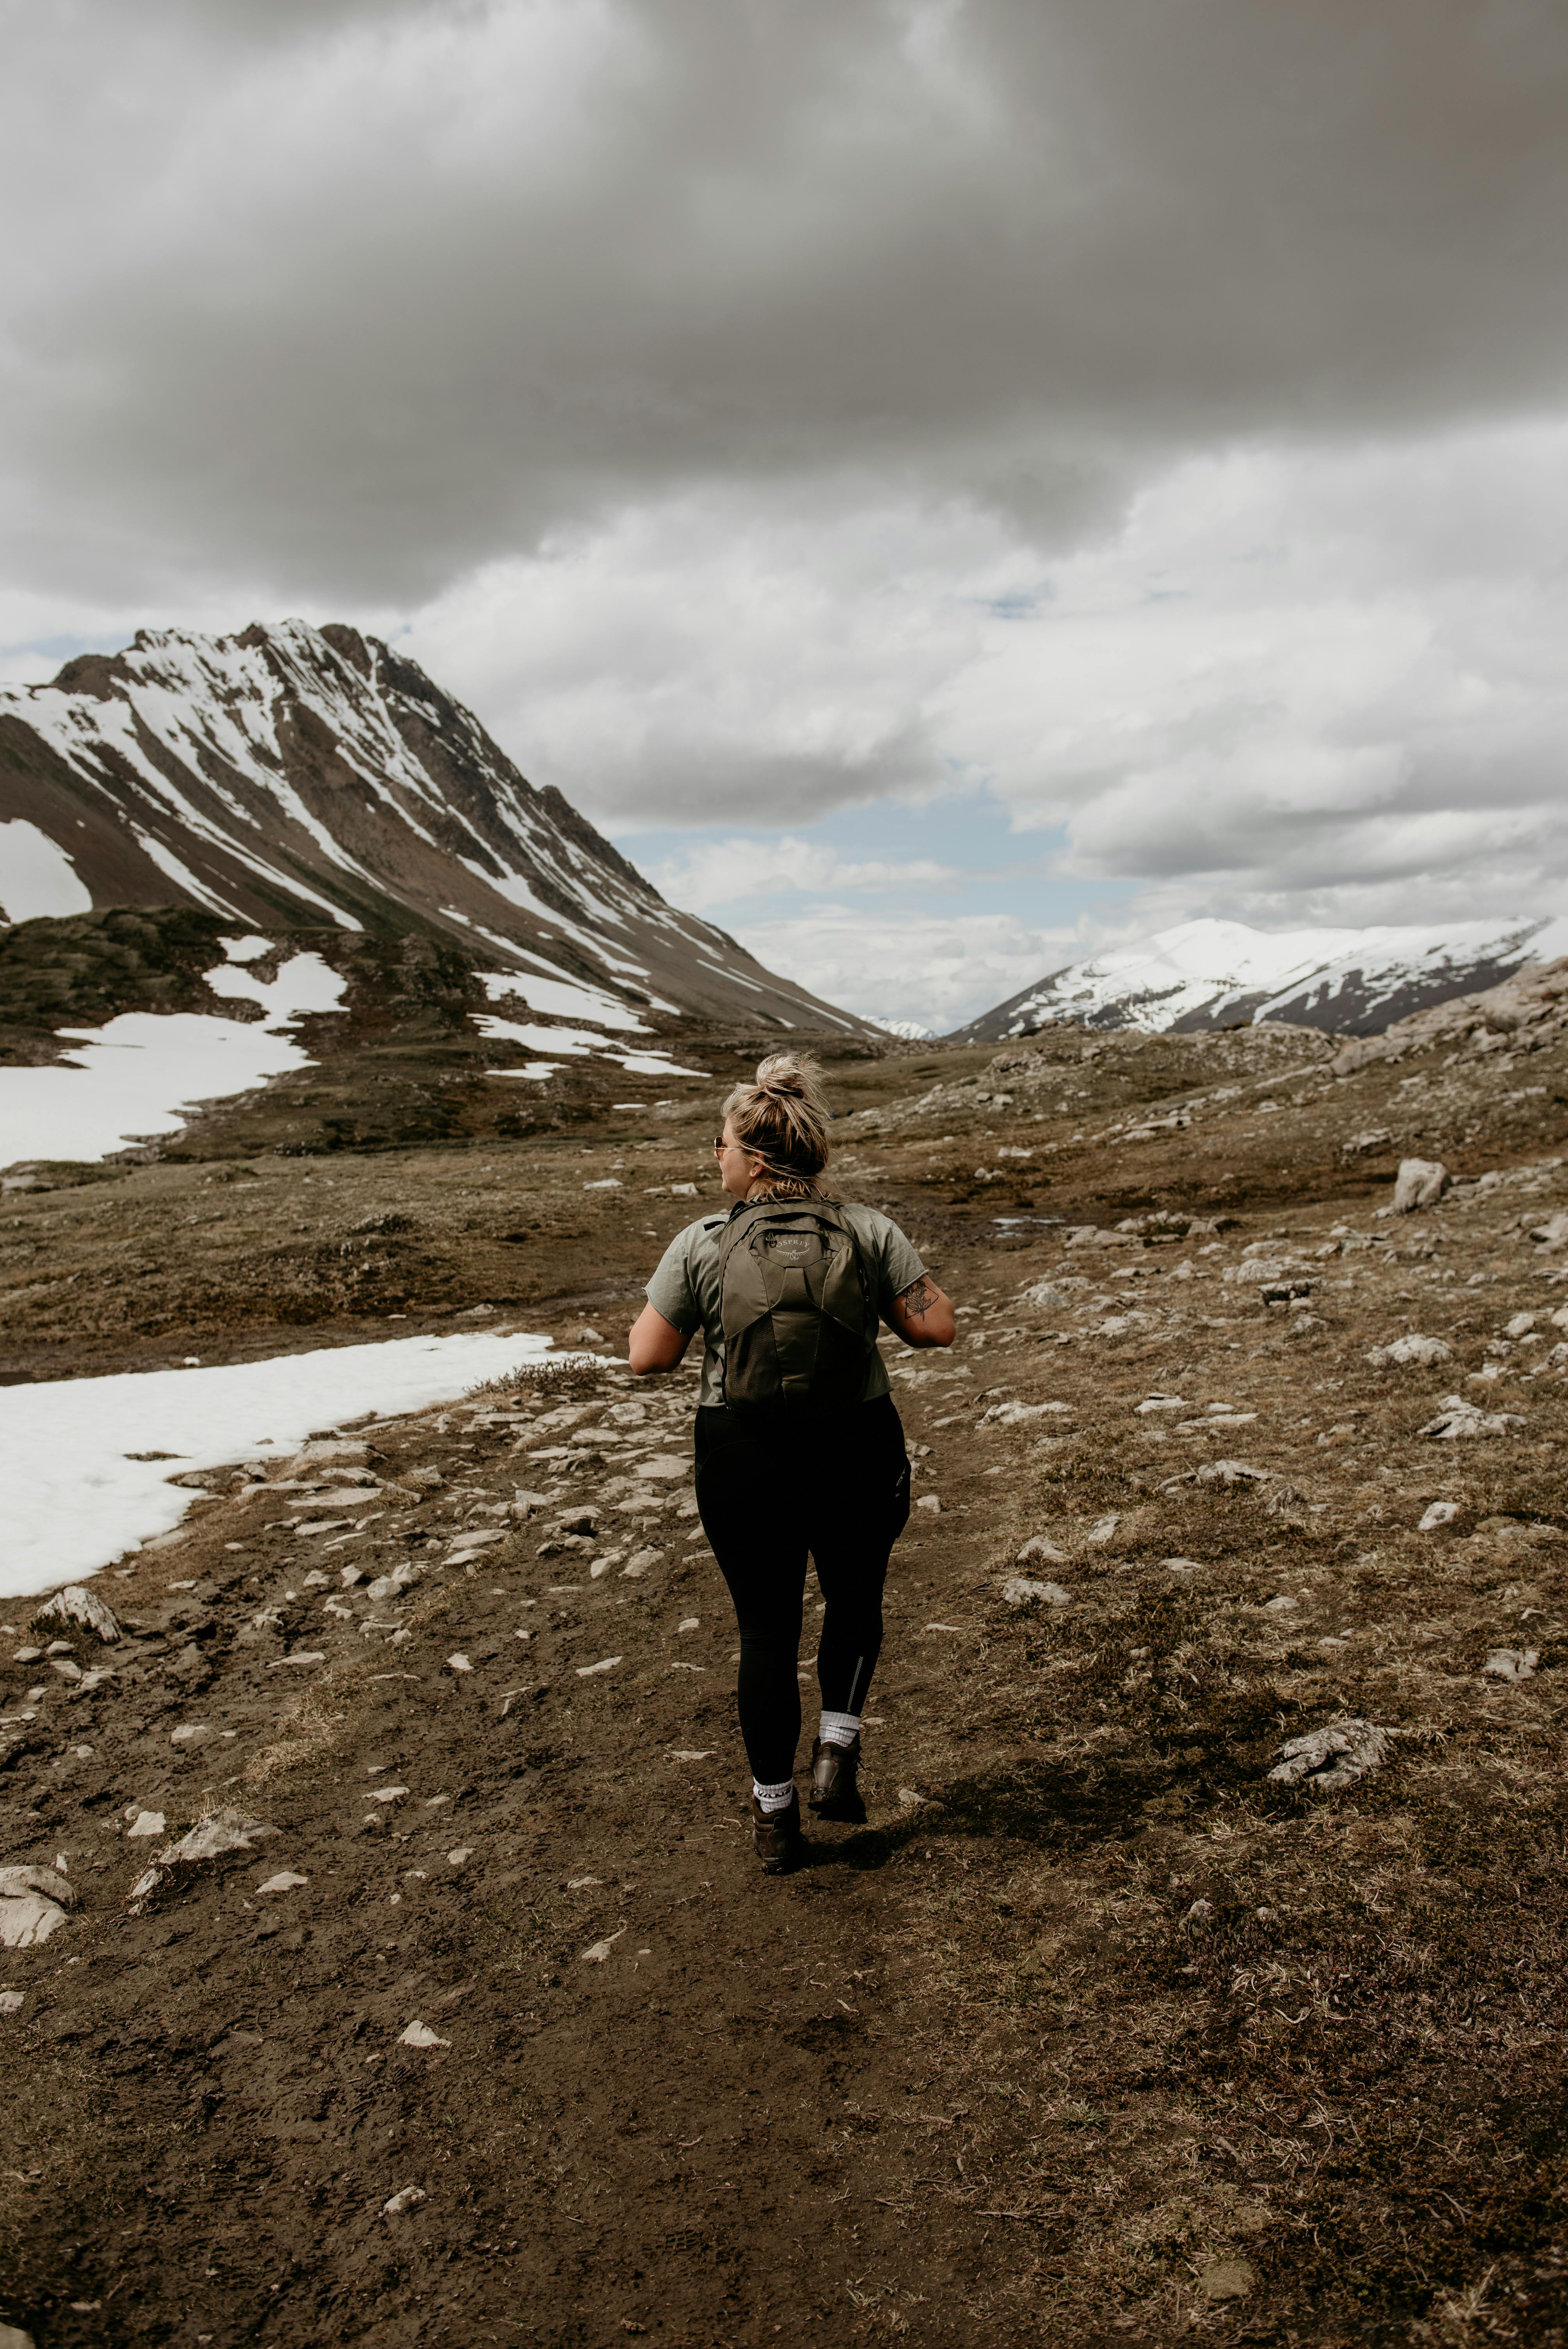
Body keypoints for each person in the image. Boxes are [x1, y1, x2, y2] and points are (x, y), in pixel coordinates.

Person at [627, 1052, 955, 1872]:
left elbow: (647, 1358)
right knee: (853, 1598)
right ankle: (837, 1746)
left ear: (755, 1157)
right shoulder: (869, 1229)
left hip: (742, 1451)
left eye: (723, 1144)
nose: (718, 1157)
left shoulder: (701, 1240)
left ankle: (775, 1819)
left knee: (765, 1629)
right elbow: (935, 1327)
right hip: (856, 1440)